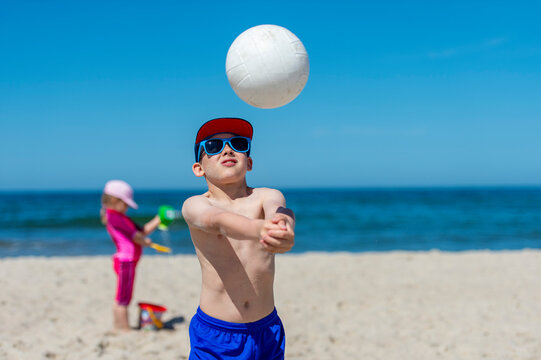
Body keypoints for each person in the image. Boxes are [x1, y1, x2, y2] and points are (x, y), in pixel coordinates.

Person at [181, 118, 296, 359]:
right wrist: (260, 230)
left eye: (239, 143)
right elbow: (217, 221)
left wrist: (283, 227)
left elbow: (280, 210)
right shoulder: (196, 204)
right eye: (213, 146)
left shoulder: (266, 195)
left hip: (267, 329)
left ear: (249, 162)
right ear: (198, 168)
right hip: (216, 333)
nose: (227, 149)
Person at [100, 180, 171, 331]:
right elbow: (137, 236)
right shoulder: (114, 216)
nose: (127, 208)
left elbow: (141, 231)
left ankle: (119, 327)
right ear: (114, 200)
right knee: (123, 298)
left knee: (122, 296)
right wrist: (144, 242)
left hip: (127, 261)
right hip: (126, 261)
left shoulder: (118, 216)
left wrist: (158, 219)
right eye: (125, 204)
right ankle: (124, 329)